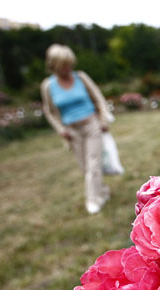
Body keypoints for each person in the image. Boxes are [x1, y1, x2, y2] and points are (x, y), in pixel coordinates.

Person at [41, 44, 112, 214]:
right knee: (85, 167)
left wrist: (103, 119)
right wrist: (60, 129)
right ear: (55, 65)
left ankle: (93, 200)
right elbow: (49, 111)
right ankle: (101, 191)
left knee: (94, 162)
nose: (69, 68)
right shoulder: (48, 86)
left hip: (91, 125)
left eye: (70, 63)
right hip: (72, 131)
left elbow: (98, 97)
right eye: (65, 65)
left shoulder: (81, 77)